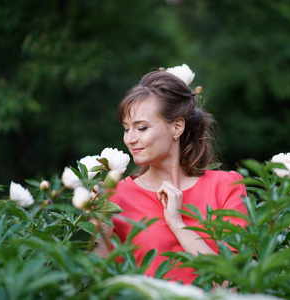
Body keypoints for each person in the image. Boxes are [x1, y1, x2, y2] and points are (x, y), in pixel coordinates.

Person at [94, 68, 248, 284]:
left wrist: (178, 223)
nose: (129, 139)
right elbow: (97, 282)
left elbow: (233, 280)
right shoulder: (116, 197)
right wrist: (99, 229)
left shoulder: (225, 187)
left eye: (141, 128)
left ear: (177, 127)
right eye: (126, 128)